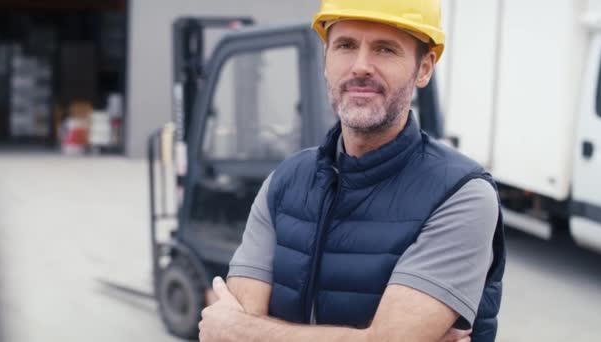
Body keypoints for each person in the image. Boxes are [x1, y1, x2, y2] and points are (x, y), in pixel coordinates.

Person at [198, 0, 506, 341]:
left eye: (385, 49)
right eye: (345, 46)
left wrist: (240, 330)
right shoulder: (285, 182)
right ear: (326, 58)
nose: (361, 66)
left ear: (424, 68)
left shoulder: (461, 195)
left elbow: (234, 331)